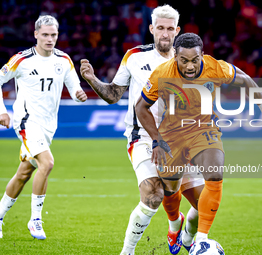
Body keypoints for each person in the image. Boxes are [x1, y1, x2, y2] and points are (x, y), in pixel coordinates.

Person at [136, 33, 262, 254]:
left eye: (195, 60)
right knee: (170, 189)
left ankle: (200, 240)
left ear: (202, 55)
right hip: (171, 136)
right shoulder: (162, 73)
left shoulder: (215, 67)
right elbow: (141, 108)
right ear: (175, 56)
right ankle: (175, 225)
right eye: (184, 60)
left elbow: (246, 80)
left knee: (214, 173)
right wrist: (156, 140)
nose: (190, 66)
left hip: (204, 130)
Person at [80, 5, 204, 254]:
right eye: (160, 28)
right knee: (153, 193)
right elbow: (114, 94)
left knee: (205, 202)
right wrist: (93, 80)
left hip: (180, 139)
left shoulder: (190, 61)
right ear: (151, 29)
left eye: (170, 29)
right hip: (144, 137)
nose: (165, 34)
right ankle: (128, 251)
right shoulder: (134, 56)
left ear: (177, 31)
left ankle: (184, 236)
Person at [0, 15, 87, 240]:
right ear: (36, 35)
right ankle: (35, 220)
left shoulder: (64, 60)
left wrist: (80, 96)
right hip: (26, 121)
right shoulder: (22, 59)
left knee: (24, 173)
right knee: (47, 162)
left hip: (48, 126)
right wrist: (1, 110)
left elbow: (75, 91)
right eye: (45, 35)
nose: (50, 39)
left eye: (53, 35)